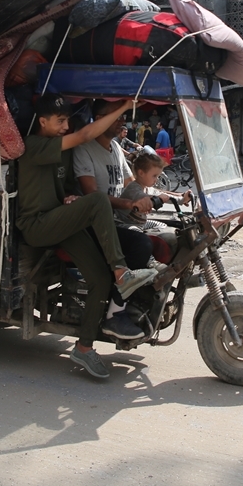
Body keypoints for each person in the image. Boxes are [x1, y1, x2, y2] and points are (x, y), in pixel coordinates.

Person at [16, 93, 158, 379]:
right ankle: (122, 272)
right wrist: (123, 107)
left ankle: (83, 348)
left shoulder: (64, 151)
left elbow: (66, 185)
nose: (65, 126)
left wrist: (70, 197)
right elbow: (84, 135)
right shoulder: (33, 145)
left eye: (67, 120)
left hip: (59, 220)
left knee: (99, 279)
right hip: (36, 225)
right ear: (42, 122)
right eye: (59, 121)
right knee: (98, 201)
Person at [74, 101, 163, 342]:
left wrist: (163, 196)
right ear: (99, 118)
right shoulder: (84, 150)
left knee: (165, 236)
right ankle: (115, 312)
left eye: (122, 116)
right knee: (141, 244)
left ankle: (140, 300)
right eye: (116, 116)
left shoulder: (114, 147)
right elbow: (94, 197)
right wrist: (130, 205)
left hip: (117, 221)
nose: (122, 121)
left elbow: (131, 183)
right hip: (94, 225)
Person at [117, 152, 191, 228]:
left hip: (140, 224)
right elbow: (145, 198)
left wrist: (182, 199)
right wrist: (158, 198)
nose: (156, 180)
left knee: (163, 228)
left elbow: (162, 195)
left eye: (158, 176)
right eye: (154, 176)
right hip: (124, 224)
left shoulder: (147, 188)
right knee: (142, 235)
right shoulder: (133, 188)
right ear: (141, 173)